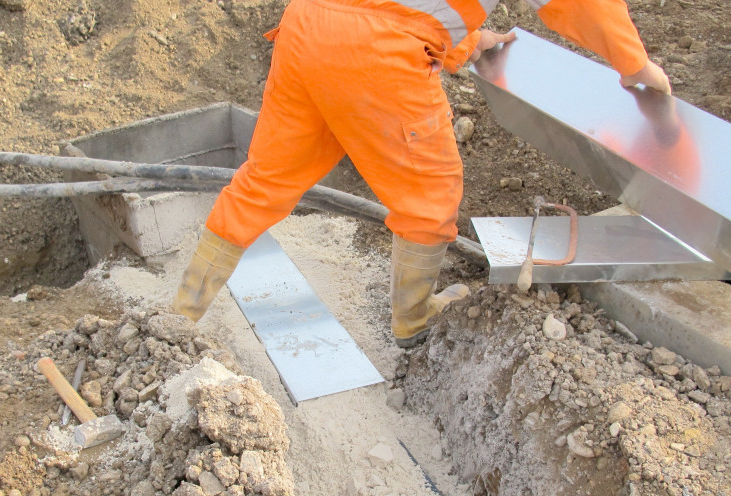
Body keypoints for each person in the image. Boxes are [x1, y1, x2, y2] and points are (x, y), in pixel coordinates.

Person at [173, 0, 671, 347]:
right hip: (375, 50)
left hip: (308, 25)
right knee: (429, 195)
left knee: (265, 180)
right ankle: (413, 321)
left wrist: (466, 40)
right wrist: (633, 63)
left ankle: (181, 315)